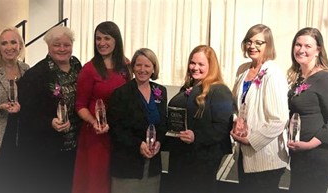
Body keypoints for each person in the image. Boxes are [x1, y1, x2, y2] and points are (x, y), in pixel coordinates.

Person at [18, 26, 82, 193]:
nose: (62, 49)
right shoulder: (36, 74)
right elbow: (26, 112)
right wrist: (49, 122)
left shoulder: (77, 66)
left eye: (66, 45)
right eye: (57, 45)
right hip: (48, 149)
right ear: (48, 46)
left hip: (76, 146)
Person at [162, 45, 234, 193]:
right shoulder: (187, 87)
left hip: (202, 161)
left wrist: (197, 136)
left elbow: (223, 128)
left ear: (211, 67)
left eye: (201, 64)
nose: (195, 67)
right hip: (180, 156)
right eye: (192, 63)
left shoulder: (220, 90)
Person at [72, 21, 131, 193]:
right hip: (96, 135)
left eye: (107, 38)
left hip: (118, 131)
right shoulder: (89, 70)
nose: (102, 43)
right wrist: (94, 122)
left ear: (116, 41)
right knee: (96, 182)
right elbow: (80, 105)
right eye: (98, 38)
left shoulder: (125, 66)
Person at [230, 24, 289, 193]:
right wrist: (236, 123)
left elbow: (279, 119)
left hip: (266, 157)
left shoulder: (273, 73)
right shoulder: (242, 70)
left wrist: (252, 140)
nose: (252, 46)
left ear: (268, 45)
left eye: (258, 42)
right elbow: (237, 105)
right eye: (249, 41)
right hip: (244, 154)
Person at [107, 48, 167, 193]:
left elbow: (163, 124)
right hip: (127, 165)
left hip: (152, 165)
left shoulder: (160, 91)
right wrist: (138, 145)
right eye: (138, 65)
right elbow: (115, 130)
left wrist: (159, 141)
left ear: (154, 68)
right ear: (132, 67)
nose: (142, 69)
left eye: (147, 66)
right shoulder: (120, 93)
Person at [287, 27, 328, 193]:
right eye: (298, 44)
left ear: (318, 50)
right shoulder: (300, 79)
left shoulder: (326, 79)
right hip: (300, 156)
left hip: (318, 157)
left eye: (307, 46)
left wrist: (309, 144)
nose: (301, 50)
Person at [0, 26, 29, 193]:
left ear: (20, 45)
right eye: (4, 43)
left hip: (21, 136)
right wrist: (0, 108)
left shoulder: (26, 69)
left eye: (13, 42)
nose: (9, 47)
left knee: (18, 183)